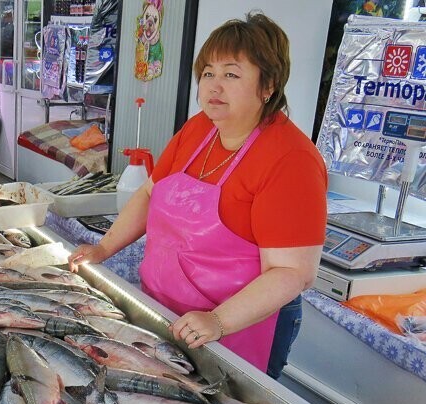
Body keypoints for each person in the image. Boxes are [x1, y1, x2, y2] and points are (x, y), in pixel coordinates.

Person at [69, 13, 327, 379]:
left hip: (236, 327)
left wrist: (219, 321)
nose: (214, 87)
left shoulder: (291, 160)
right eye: (208, 73)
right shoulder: (199, 128)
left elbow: (293, 272)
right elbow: (148, 193)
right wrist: (103, 248)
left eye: (232, 74)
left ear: (268, 85)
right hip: (164, 309)